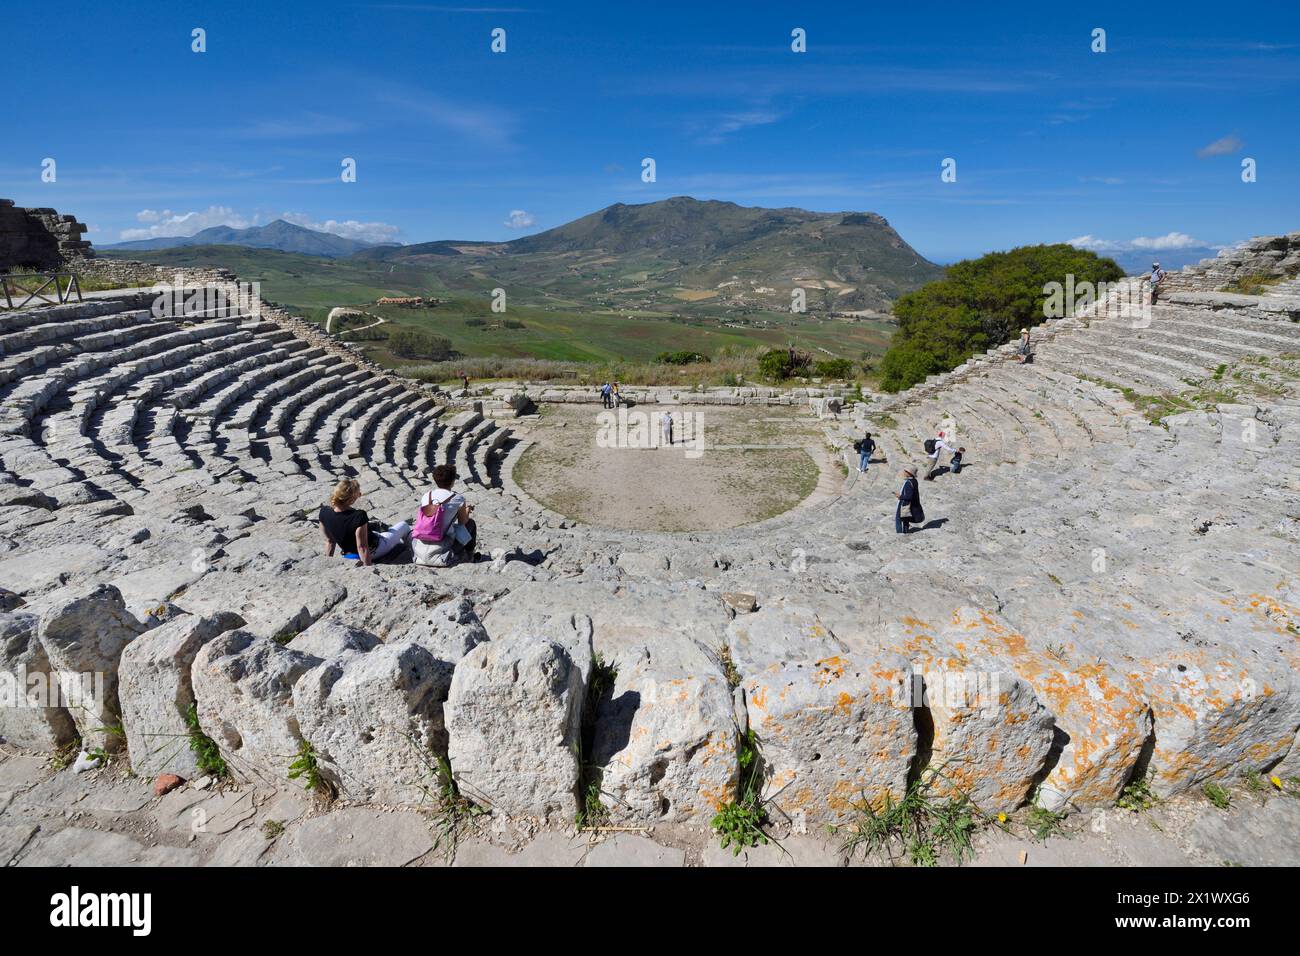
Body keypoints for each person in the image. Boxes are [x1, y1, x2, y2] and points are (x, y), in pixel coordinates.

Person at [319, 478, 410, 565]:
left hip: (348, 555)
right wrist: (368, 569)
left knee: (377, 531)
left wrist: (328, 562)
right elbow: (362, 547)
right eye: (359, 494)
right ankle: (412, 552)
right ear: (352, 499)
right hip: (374, 550)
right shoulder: (358, 516)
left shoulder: (324, 512)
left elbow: (330, 541)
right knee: (404, 525)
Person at [412, 464, 478, 567]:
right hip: (444, 546)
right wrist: (467, 510)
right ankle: (470, 557)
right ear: (452, 481)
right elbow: (462, 522)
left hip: (421, 543)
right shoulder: (458, 499)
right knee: (471, 524)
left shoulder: (426, 496)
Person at [895, 469, 924, 534]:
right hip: (911, 504)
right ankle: (906, 531)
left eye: (906, 471)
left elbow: (909, 496)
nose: (904, 472)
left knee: (898, 518)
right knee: (905, 518)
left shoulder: (908, 483)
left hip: (904, 503)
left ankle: (899, 534)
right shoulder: (914, 481)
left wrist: (900, 496)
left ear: (909, 473)